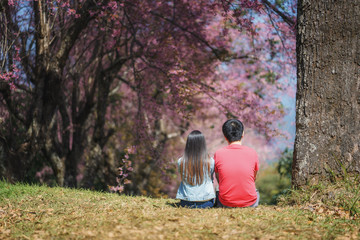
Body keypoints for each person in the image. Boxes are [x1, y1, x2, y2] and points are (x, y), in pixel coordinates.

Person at [214, 119, 259, 208]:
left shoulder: (218, 153)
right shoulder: (253, 152)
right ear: (242, 134)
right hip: (250, 203)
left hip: (225, 203)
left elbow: (219, 178)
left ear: (225, 136)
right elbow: (254, 177)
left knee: (217, 189)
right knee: (255, 190)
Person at [176, 130, 216, 208]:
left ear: (188, 144)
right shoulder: (210, 161)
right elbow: (211, 177)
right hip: (206, 202)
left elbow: (182, 176)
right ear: (203, 144)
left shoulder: (181, 161)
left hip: (186, 202)